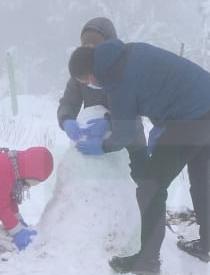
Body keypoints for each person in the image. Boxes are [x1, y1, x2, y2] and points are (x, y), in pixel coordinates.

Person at [68, 34, 210, 275]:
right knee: (202, 178)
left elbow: (123, 133)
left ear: (90, 75)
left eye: (86, 82)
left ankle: (146, 261)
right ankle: (208, 246)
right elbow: (139, 96)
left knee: (150, 185)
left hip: (192, 120)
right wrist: (110, 120)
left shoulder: (114, 77)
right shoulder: (125, 54)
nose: (91, 86)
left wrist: (102, 147)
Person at [55, 17, 149, 173]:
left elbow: (134, 111)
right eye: (86, 45)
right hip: (94, 141)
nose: (90, 51)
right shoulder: (81, 72)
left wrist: (109, 123)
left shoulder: (125, 69)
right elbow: (69, 101)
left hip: (131, 141)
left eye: (94, 46)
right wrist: (66, 120)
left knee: (143, 185)